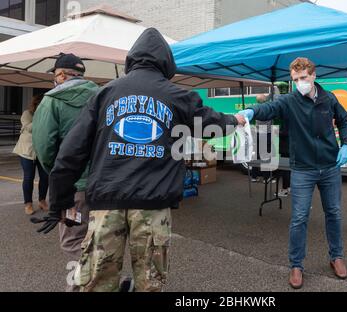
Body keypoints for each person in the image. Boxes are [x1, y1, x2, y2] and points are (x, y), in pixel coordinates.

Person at [33, 28, 245, 292]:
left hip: (106, 202)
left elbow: (70, 153)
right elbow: (211, 124)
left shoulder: (104, 94)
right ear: (167, 62)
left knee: (96, 282)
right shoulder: (176, 95)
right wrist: (234, 120)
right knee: (150, 284)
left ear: (131, 59)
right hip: (152, 205)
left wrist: (60, 203)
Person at [239, 57, 347, 289]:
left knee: (334, 212)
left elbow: (344, 120)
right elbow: (269, 107)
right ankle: (296, 265)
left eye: (303, 78)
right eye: (295, 79)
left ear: (313, 76)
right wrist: (251, 111)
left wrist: (346, 144)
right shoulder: (289, 100)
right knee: (299, 217)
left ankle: (336, 256)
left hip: (330, 167)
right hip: (303, 169)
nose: (300, 82)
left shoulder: (329, 98)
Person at [31, 53, 99, 290]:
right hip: (104, 185)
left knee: (73, 240)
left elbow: (44, 147)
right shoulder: (103, 96)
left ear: (60, 75)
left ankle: (89, 285)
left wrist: (59, 174)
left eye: (55, 75)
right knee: (99, 237)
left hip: (73, 191)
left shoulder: (52, 100)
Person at [13, 94, 49, 215]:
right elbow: (28, 128)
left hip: (42, 151)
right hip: (27, 152)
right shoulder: (27, 114)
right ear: (36, 104)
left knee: (45, 177)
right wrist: (41, 117)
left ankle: (42, 200)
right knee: (29, 177)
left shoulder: (48, 115)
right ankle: (28, 203)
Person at [251, 94, 273, 182]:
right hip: (266, 133)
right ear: (264, 100)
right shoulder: (267, 109)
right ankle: (266, 178)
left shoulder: (255, 108)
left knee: (256, 155)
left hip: (257, 133)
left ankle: (254, 176)